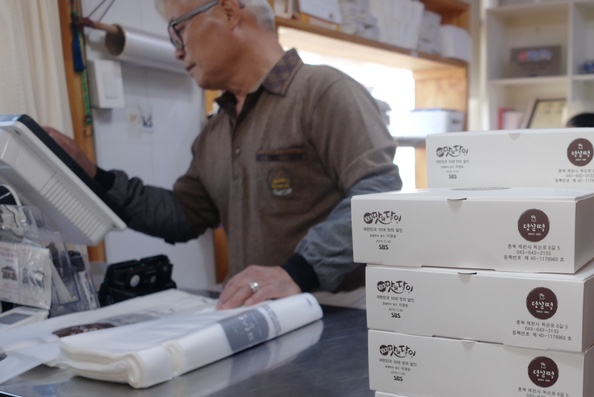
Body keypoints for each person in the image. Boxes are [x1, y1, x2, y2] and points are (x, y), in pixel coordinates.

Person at [48, 0, 401, 309]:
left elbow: (379, 194)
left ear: (230, 12)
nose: (177, 51)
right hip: (256, 310)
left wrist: (298, 272)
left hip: (336, 310)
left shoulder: (324, 92)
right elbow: (183, 215)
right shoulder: (215, 131)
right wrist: (96, 178)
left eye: (178, 30)